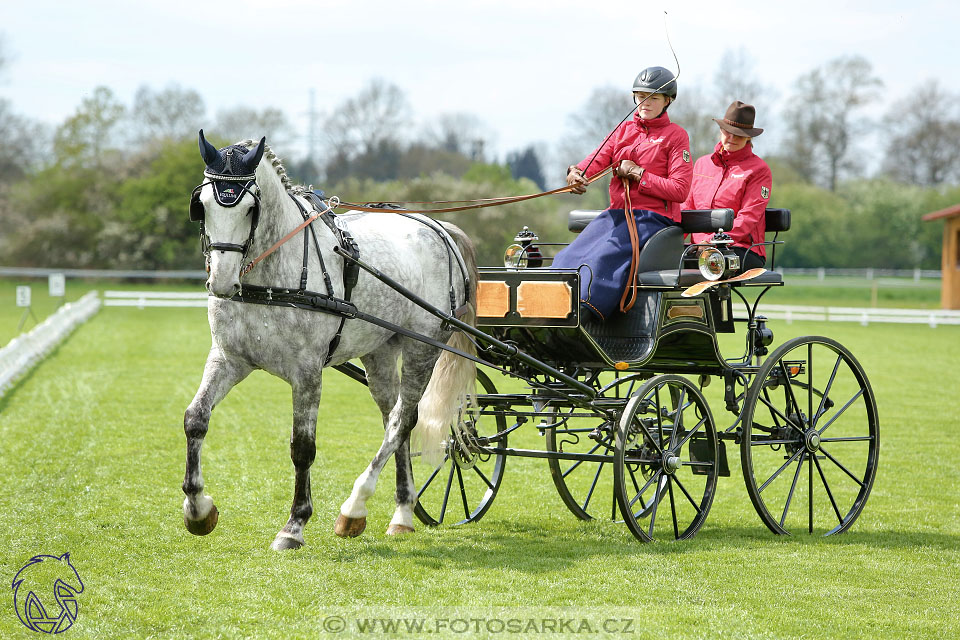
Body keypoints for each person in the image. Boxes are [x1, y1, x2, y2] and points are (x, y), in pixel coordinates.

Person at [553, 66, 692, 321]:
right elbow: (596, 160)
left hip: (653, 219)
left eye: (653, 98)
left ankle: (583, 315)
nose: (645, 103)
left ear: (667, 101)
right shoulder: (623, 131)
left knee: (601, 259)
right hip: (617, 215)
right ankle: (552, 310)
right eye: (640, 96)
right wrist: (577, 173)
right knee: (567, 257)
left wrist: (640, 174)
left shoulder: (676, 136)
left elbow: (680, 190)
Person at [683, 101, 772, 271]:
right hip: (698, 248)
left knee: (712, 263)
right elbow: (686, 208)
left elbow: (748, 217)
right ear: (720, 131)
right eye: (727, 132)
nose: (731, 138)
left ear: (749, 137)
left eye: (738, 134)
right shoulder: (702, 164)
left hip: (741, 248)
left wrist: (712, 242)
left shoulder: (759, 170)